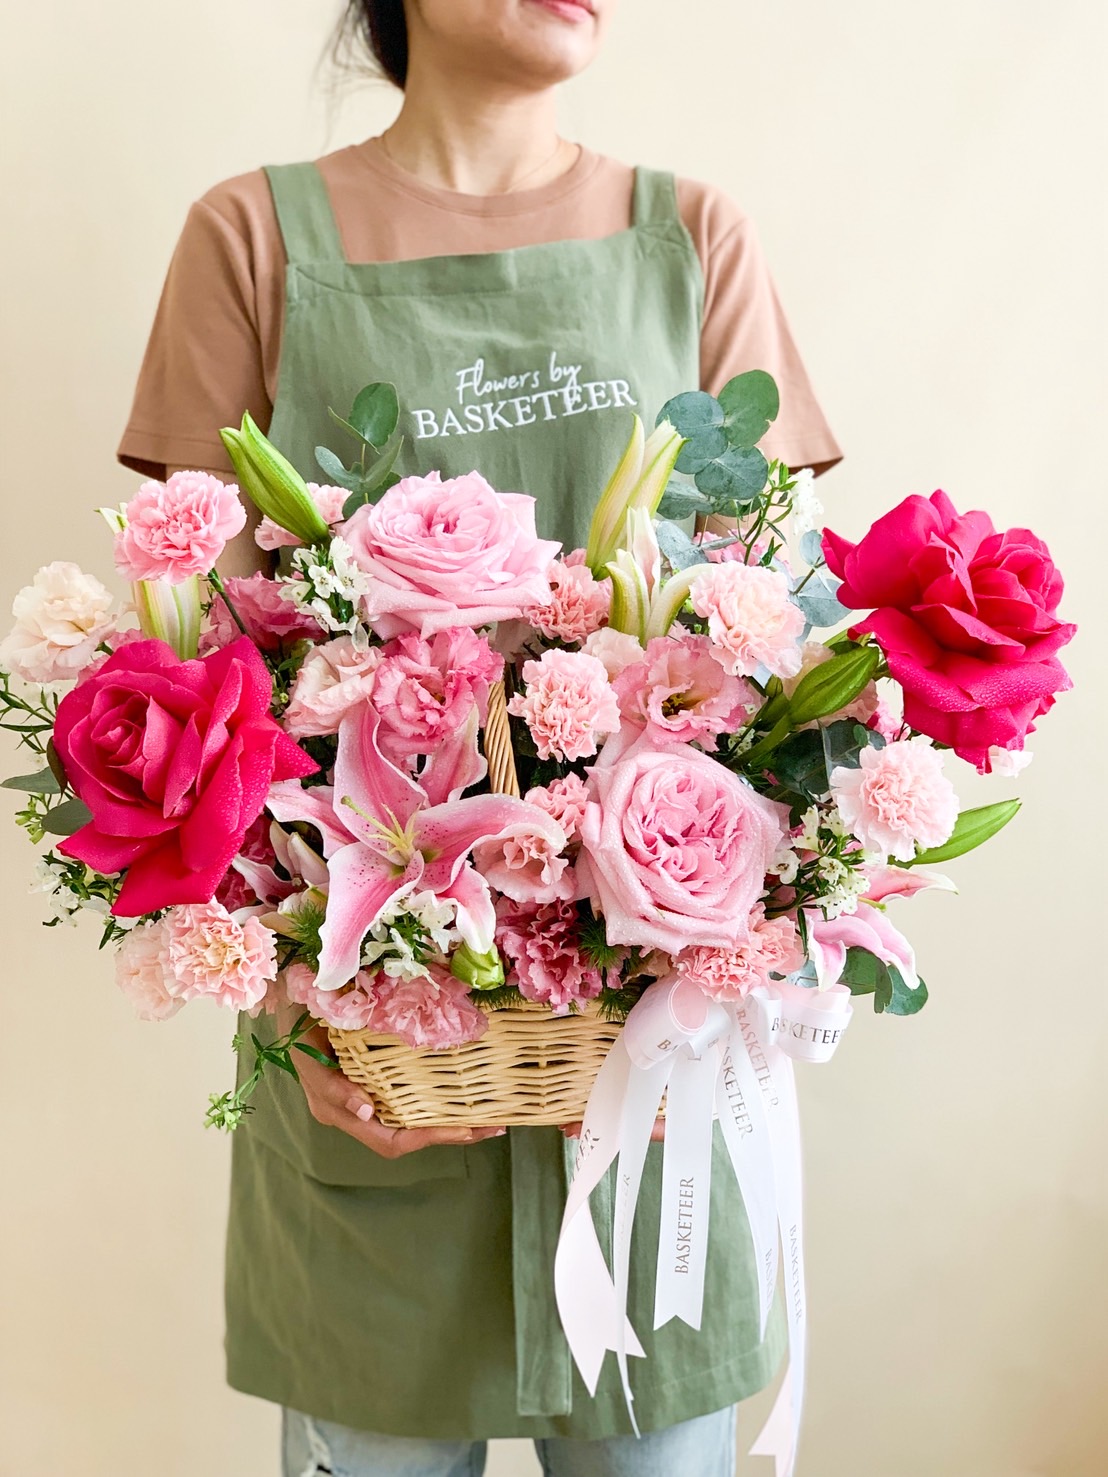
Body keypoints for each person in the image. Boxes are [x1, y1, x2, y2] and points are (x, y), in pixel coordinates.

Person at [118, 2, 842, 1473]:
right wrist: (289, 1019)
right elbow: (188, 698)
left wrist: (741, 949)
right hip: (371, 1078)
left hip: (648, 1105)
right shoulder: (251, 241)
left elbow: (780, 652)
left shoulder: (693, 240)